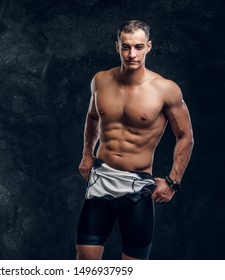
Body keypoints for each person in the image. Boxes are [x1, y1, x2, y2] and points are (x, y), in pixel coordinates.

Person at [76, 20, 194, 260]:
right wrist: (87, 154)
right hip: (101, 180)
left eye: (138, 47)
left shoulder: (165, 89)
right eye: (126, 46)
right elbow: (92, 118)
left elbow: (185, 136)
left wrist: (173, 182)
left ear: (148, 47)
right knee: (84, 264)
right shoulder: (100, 80)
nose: (132, 54)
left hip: (138, 188)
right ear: (117, 47)